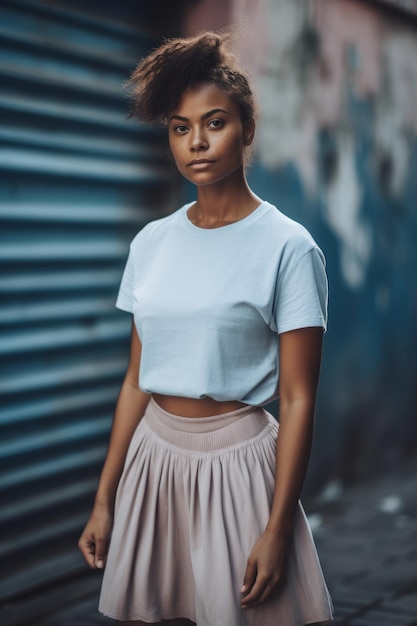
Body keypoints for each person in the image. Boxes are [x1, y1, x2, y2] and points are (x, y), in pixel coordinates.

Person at [78, 30, 334, 626]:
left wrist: (277, 527)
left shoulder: (289, 248)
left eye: (214, 123)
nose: (195, 142)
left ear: (246, 127)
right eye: (178, 127)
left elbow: (297, 398)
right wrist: (103, 498)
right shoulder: (151, 243)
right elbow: (137, 380)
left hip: (241, 466)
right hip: (153, 459)